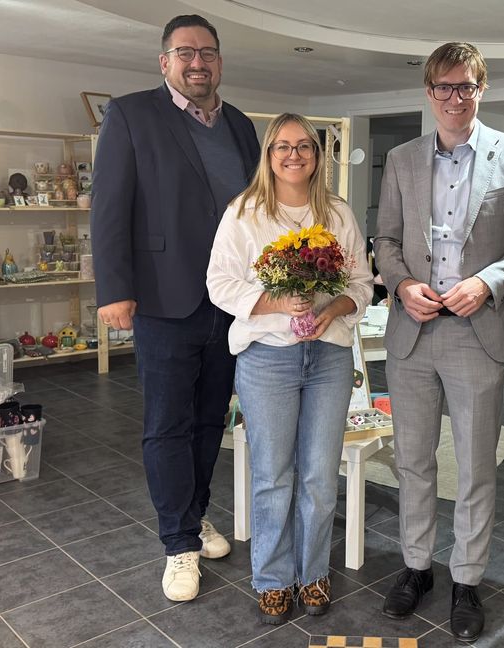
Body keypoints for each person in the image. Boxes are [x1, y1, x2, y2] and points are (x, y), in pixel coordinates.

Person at [374, 42, 504, 642]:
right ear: (429, 93)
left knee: (475, 467)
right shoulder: (401, 159)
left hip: (479, 332)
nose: (455, 98)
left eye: (466, 86)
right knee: (412, 461)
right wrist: (401, 286)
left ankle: (468, 579)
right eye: (444, 87)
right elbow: (386, 242)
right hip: (414, 330)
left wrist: (487, 281)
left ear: (483, 89)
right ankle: (417, 567)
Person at [90, 14, 260, 602]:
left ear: (219, 61)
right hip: (165, 297)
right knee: (168, 424)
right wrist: (113, 288)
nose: (197, 63)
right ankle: (177, 544)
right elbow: (109, 206)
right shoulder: (131, 114)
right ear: (164, 61)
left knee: (211, 419)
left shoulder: (240, 126)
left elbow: (254, 215)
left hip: (230, 301)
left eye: (207, 53)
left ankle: (194, 516)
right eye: (185, 52)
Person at [207, 113, 373, 624]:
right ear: (269, 154)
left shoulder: (338, 213)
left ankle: (314, 572)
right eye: (282, 146)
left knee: (321, 476)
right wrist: (279, 302)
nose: (294, 154)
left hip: (329, 357)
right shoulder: (245, 213)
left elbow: (363, 285)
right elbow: (219, 283)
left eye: (304, 146)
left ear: (318, 155)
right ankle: (273, 579)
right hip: (267, 359)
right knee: (273, 476)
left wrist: (332, 310)